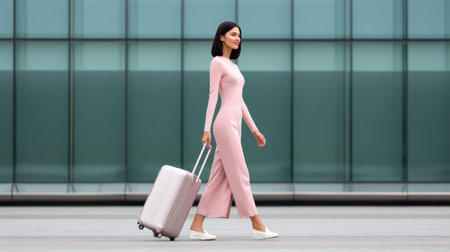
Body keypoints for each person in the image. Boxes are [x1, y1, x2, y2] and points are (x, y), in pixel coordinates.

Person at [188, 21, 279, 241]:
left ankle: (196, 226)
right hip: (224, 124)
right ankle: (257, 225)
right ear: (221, 37)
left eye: (239, 35)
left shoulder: (234, 66)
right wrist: (206, 129)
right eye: (232, 34)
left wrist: (254, 130)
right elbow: (212, 96)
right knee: (240, 174)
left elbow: (240, 102)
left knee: (218, 177)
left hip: (235, 125)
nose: (237, 38)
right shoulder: (217, 62)